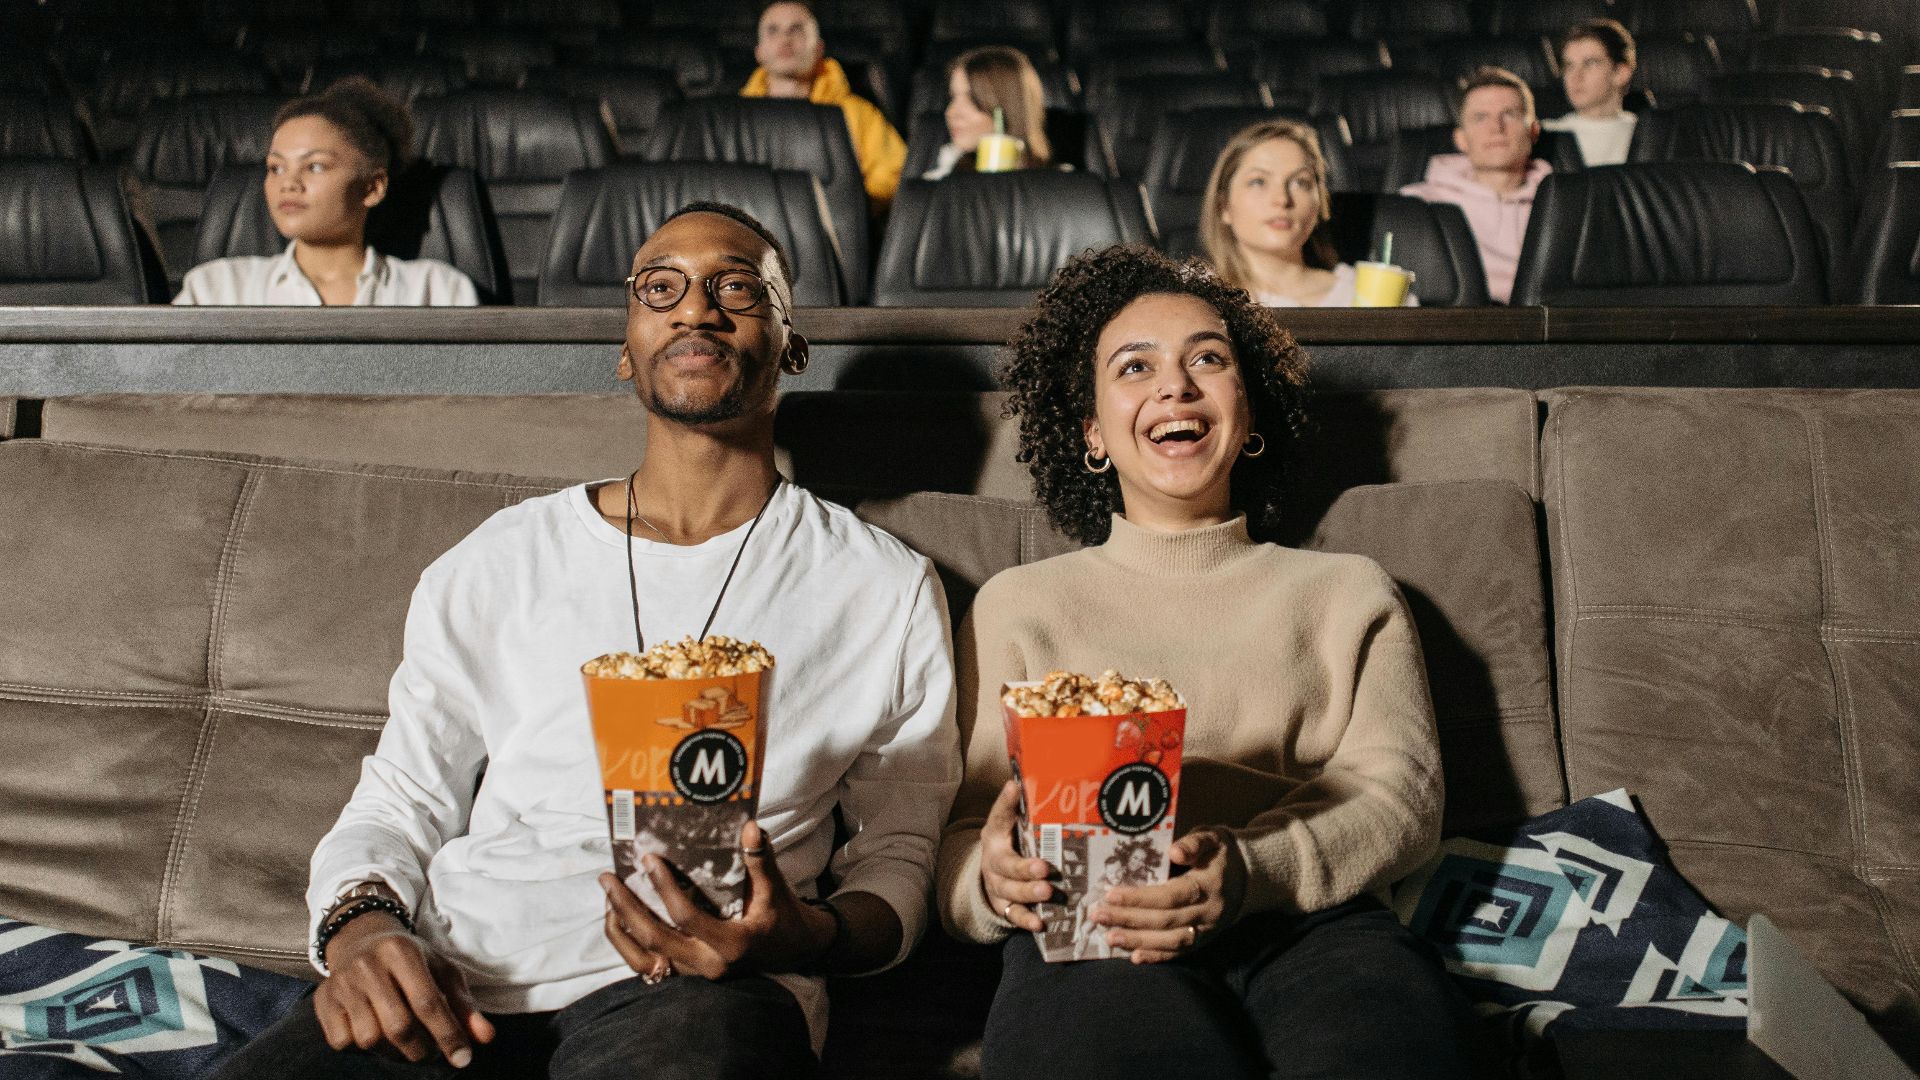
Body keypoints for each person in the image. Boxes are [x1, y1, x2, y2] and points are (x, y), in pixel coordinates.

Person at [210, 203, 959, 1080]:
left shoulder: (882, 585)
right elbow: (401, 799)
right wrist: (364, 931)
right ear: (626, 343)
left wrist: (799, 933)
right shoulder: (502, 555)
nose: (695, 309)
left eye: (736, 286)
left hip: (703, 990)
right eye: (661, 287)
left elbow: (900, 856)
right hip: (456, 977)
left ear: (792, 342)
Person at [935, 245, 1474, 1080]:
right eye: (1135, 367)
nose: (1175, 386)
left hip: (1313, 923)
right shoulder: (1018, 605)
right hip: (1093, 922)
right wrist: (990, 884)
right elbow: (965, 833)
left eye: (1208, 360)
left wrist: (1252, 871)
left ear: (1247, 414)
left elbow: (1402, 798)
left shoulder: (1346, 592)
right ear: (1091, 431)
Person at [173, 77, 478, 306]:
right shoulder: (216, 289)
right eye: (275, 168)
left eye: (315, 167)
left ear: (372, 188)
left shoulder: (439, 291)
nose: (288, 183)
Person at [1201, 119, 1417, 307]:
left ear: (1320, 203)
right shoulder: (1195, 296)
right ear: (1223, 206)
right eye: (1258, 181)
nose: (1282, 199)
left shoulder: (1369, 295)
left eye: (1300, 182)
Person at [1399, 66, 1551, 305]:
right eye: (1481, 117)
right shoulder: (1416, 205)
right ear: (1460, 139)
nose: (1496, 128)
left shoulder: (1566, 205)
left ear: (1533, 131)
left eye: (1509, 114)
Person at [741, 0, 907, 209]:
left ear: (818, 48)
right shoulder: (732, 117)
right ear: (759, 51)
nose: (785, 39)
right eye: (773, 31)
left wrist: (850, 191)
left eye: (797, 29)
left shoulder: (856, 113)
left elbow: (896, 175)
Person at [922, 45, 1053, 180]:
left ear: (1007, 107)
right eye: (953, 97)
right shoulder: (937, 182)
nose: (951, 112)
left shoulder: (1060, 187)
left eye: (972, 99)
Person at [1543, 19, 1640, 167]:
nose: (1575, 77)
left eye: (1590, 63)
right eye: (1569, 65)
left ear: (1621, 73)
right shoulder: (1546, 136)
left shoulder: (1647, 136)